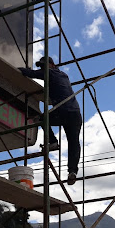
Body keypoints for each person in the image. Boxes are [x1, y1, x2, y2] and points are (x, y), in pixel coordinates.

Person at [19, 56, 82, 186]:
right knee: (73, 142)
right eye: (41, 67)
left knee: (43, 118)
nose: (42, 69)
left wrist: (18, 69)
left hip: (63, 111)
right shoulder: (62, 76)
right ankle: (72, 171)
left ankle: (53, 142)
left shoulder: (51, 72)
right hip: (74, 113)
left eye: (44, 66)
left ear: (52, 65)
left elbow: (31, 74)